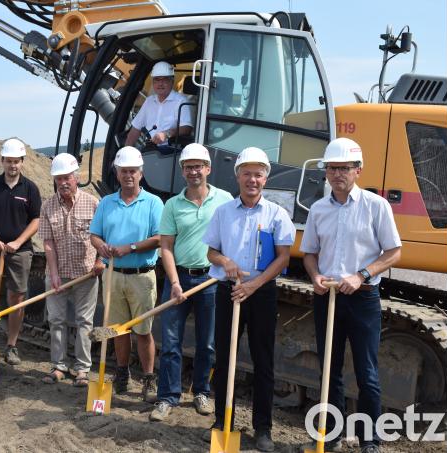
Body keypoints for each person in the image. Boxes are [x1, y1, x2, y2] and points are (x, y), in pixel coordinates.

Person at [300, 138, 401, 453]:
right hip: (327, 298)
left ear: (358, 170)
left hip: (363, 298)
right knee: (329, 370)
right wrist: (315, 275)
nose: (337, 174)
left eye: (344, 168)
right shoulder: (318, 209)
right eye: (332, 168)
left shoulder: (376, 206)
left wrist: (362, 276)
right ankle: (330, 437)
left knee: (366, 371)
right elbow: (309, 253)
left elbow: (394, 252)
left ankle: (370, 440)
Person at [201, 147, 296, 452]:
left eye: (258, 174)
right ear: (237, 176)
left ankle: (263, 429)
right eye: (247, 173)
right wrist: (225, 261)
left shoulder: (276, 214)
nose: (252, 179)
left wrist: (254, 286)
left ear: (265, 178)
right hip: (229, 290)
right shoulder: (223, 212)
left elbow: (282, 259)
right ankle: (222, 421)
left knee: (263, 360)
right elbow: (210, 252)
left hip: (262, 292)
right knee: (225, 356)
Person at [149, 144, 233, 422]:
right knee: (171, 342)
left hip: (211, 280)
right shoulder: (173, 205)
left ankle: (201, 392)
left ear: (208, 169)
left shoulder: (224, 200)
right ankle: (167, 397)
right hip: (179, 278)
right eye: (189, 167)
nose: (194, 171)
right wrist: (174, 282)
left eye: (199, 166)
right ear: (183, 171)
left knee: (207, 343)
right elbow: (167, 247)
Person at [89, 145, 163, 403]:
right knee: (118, 330)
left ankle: (149, 379)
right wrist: (102, 247)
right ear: (117, 173)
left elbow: (159, 238)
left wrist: (129, 247)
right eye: (123, 171)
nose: (128, 175)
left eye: (132, 171)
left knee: (143, 331)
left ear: (140, 173)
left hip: (142, 275)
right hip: (114, 274)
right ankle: (122, 373)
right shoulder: (107, 203)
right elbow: (95, 235)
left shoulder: (153, 203)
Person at [0, 138, 42, 366]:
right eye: (9, 161)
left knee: (16, 297)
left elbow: (36, 220)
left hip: (20, 251)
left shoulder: (30, 188)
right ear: (2, 161)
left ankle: (12, 345)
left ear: (22, 162)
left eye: (17, 161)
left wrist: (18, 241)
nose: (13, 165)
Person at [38, 153, 104, 386]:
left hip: (86, 273)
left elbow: (101, 236)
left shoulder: (93, 203)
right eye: (58, 178)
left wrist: (99, 261)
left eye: (67, 177)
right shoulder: (47, 206)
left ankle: (82, 369)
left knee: (84, 321)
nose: (63, 182)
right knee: (56, 320)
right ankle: (58, 365)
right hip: (57, 273)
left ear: (76, 176)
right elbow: (48, 242)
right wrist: (54, 274)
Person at [125, 61, 193, 148]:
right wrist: (126, 150)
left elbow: (187, 128)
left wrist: (166, 134)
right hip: (150, 150)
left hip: (170, 152)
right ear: (153, 82)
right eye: (157, 79)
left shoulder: (181, 101)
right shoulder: (149, 101)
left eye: (164, 79)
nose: (160, 83)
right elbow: (135, 130)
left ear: (172, 81)